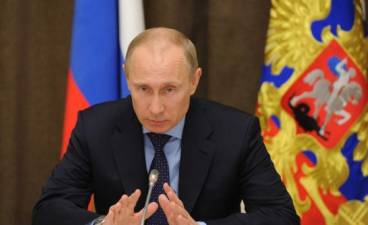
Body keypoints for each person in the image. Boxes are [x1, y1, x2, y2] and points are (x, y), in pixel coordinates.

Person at [32, 27, 299, 225]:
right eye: (143, 89)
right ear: (127, 77)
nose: (156, 108)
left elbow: (281, 216)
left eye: (169, 89)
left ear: (194, 81)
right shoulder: (96, 127)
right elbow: (48, 210)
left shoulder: (236, 131)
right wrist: (103, 224)